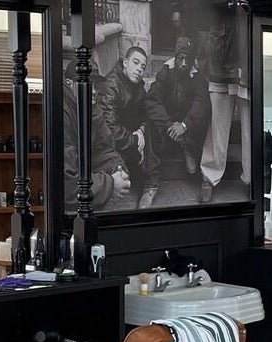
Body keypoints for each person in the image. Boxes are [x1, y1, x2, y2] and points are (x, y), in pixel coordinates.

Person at [140, 37, 209, 208]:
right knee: (150, 122)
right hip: (168, 125)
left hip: (187, 127)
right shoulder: (166, 71)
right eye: (181, 58)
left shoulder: (197, 76)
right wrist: (169, 125)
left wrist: (184, 126)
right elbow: (152, 100)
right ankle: (151, 184)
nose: (184, 63)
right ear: (175, 57)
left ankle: (190, 149)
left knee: (204, 113)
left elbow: (201, 103)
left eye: (188, 59)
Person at [197, 3, 250, 203]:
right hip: (222, 48)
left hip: (249, 48)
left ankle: (251, 178)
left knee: (250, 127)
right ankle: (209, 175)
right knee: (217, 123)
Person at [63, 62, 130, 212]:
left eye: (95, 85)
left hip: (85, 184)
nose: (94, 92)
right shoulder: (59, 111)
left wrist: (118, 169)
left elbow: (104, 149)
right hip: (61, 202)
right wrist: (110, 184)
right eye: (88, 84)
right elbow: (66, 185)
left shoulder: (92, 107)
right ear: (69, 83)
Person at [96, 46, 149, 190]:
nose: (139, 69)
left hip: (129, 137)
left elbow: (146, 113)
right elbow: (109, 128)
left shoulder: (138, 86)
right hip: (109, 143)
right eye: (135, 63)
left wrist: (141, 130)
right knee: (125, 180)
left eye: (143, 66)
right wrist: (135, 141)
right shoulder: (111, 85)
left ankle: (148, 181)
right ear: (125, 62)